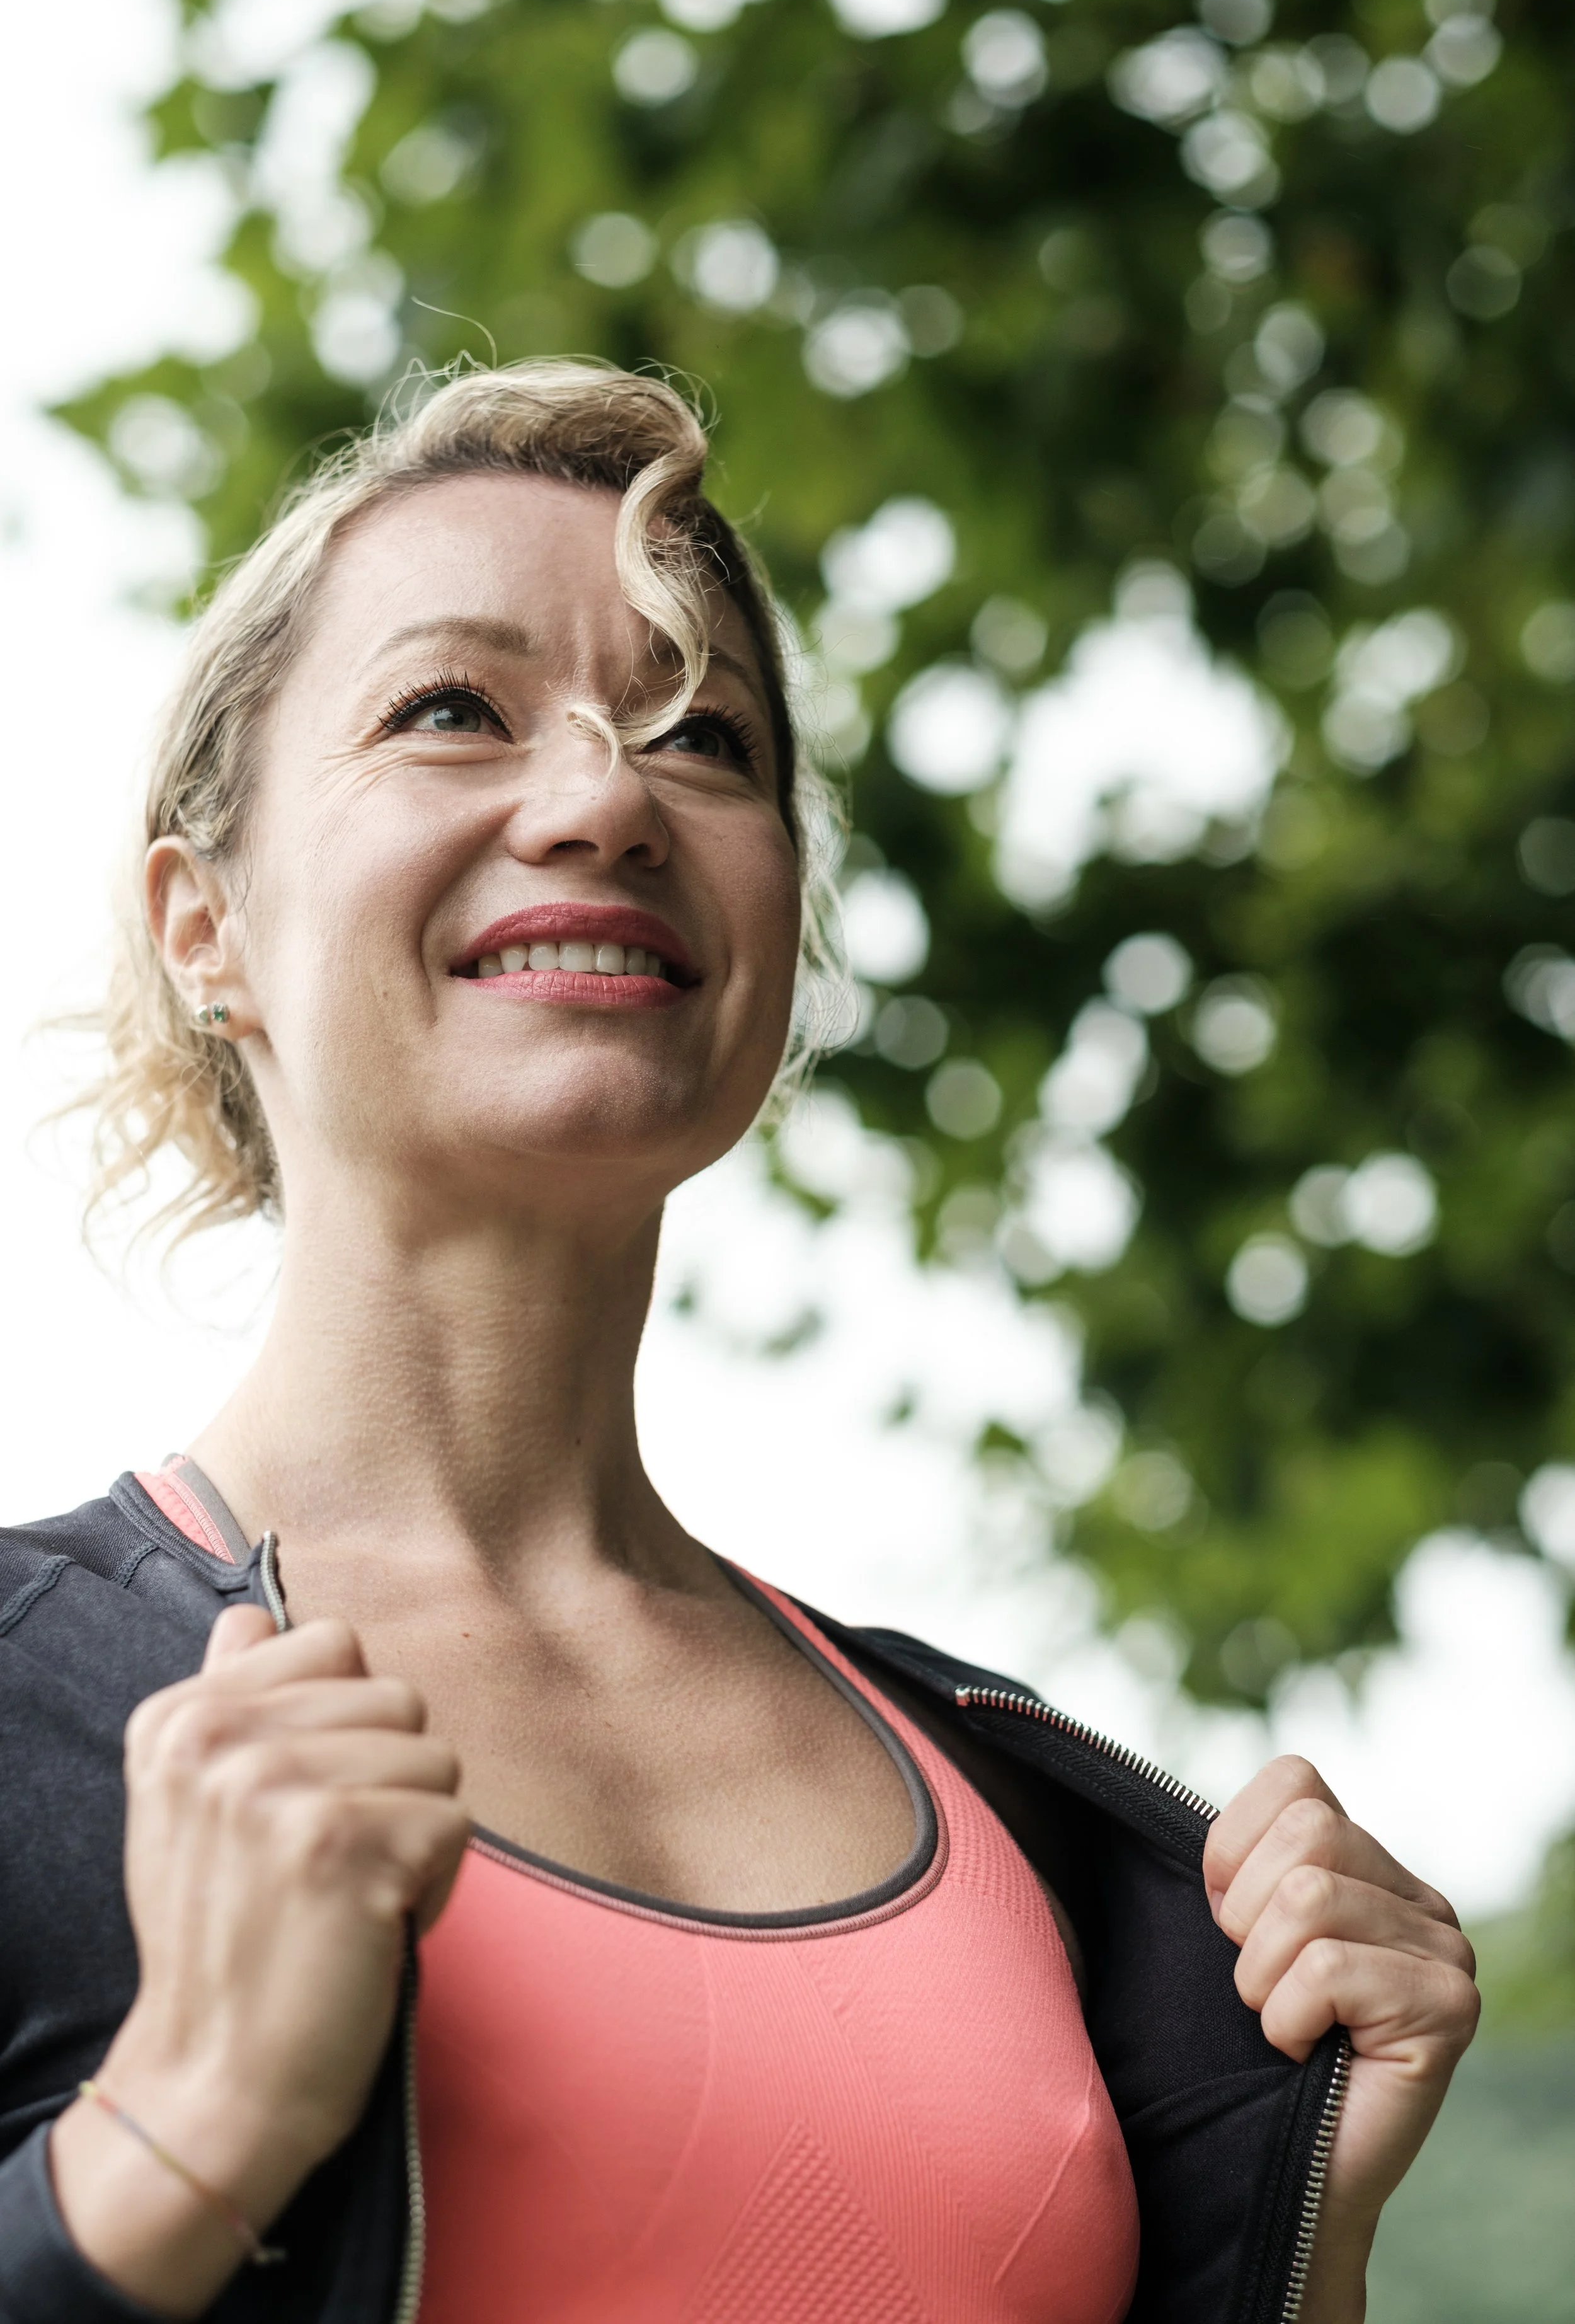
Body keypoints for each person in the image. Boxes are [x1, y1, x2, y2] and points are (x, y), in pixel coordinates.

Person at [0, 362, 1477, 2324]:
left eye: (706, 735)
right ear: (208, 924)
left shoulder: (1048, 1830)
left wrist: (1303, 2243)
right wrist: (174, 2131)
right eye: (451, 708)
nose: (608, 792)